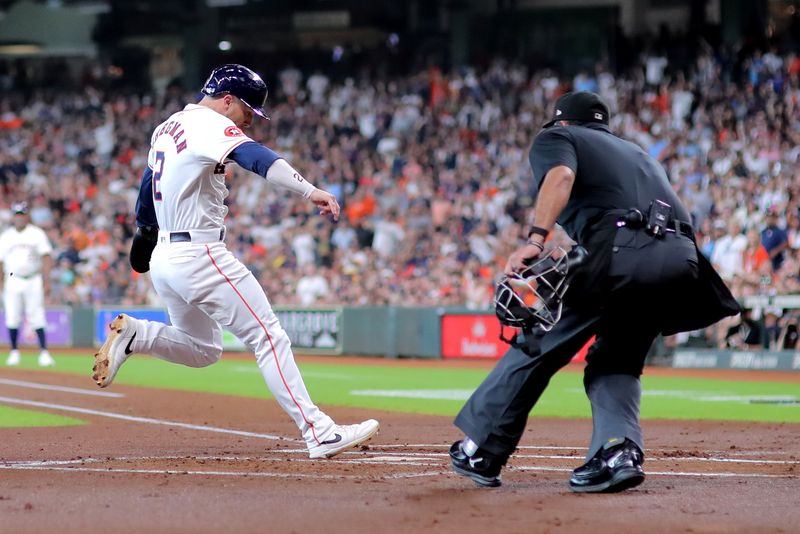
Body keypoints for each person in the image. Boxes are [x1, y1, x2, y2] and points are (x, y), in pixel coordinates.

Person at [449, 92, 738, 492]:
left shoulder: (559, 139)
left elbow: (562, 176)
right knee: (615, 361)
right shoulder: (637, 154)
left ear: (563, 123)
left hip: (620, 250)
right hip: (681, 260)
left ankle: (481, 447)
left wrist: (536, 239)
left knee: (539, 340)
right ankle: (616, 452)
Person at [92, 64, 379, 459]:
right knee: (269, 336)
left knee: (204, 349)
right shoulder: (207, 123)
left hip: (166, 257)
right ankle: (318, 432)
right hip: (199, 253)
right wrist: (308, 189)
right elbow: (254, 156)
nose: (250, 120)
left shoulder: (168, 126)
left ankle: (139, 335)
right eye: (248, 110)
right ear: (227, 100)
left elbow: (146, 185)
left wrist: (144, 231)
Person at [0, 202, 55, 367]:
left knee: (37, 315)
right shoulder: (6, 236)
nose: (19, 217)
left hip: (33, 278)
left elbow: (46, 257)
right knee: (12, 316)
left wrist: (47, 280)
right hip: (13, 279)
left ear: (27, 216)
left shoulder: (36, 234)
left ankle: (44, 352)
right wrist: (1, 281)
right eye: (17, 214)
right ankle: (14, 351)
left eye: (22, 214)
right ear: (13, 216)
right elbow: (1, 261)